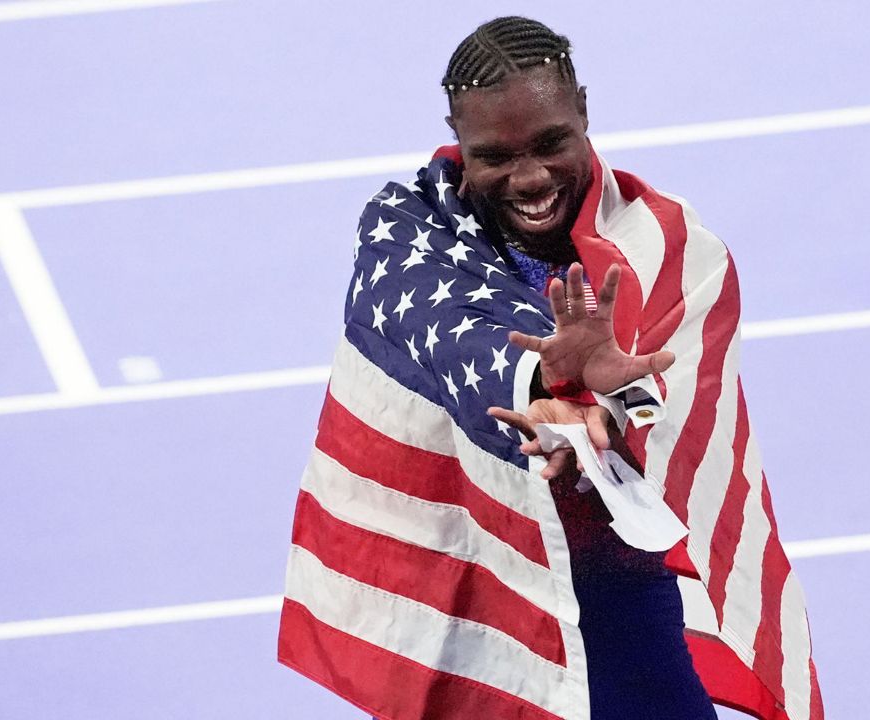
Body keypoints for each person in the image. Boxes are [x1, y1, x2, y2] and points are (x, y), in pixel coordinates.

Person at [279, 16, 822, 720]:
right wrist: (539, 386)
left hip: (617, 597)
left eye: (550, 143)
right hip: (486, 592)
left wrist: (608, 410)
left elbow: (674, 433)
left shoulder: (670, 250)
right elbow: (448, 335)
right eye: (494, 155)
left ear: (585, 112)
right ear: (458, 141)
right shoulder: (409, 233)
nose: (530, 178)